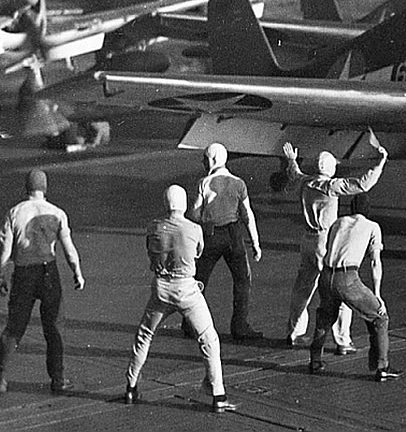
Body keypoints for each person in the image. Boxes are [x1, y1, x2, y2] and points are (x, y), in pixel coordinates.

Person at [124, 186, 237, 413]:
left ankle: (131, 385)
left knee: (144, 336)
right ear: (184, 204)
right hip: (186, 289)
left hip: (161, 289)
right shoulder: (194, 229)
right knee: (208, 338)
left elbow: (151, 249)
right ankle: (218, 393)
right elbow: (197, 252)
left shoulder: (153, 227)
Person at [282, 139, 388, 353]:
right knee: (338, 289)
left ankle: (294, 332)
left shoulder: (306, 182)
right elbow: (361, 184)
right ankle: (343, 340)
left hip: (307, 240)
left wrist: (292, 160)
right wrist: (380, 162)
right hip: (326, 241)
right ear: (330, 170)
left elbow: (295, 174)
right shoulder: (330, 186)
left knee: (302, 289)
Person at [0, 170, 85, 396]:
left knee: (14, 327)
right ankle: (58, 378)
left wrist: (1, 276)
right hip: (48, 271)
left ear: (26, 188)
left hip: (24, 272)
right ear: (45, 188)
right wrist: (77, 272)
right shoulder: (57, 213)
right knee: (54, 328)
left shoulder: (15, 212)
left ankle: (1, 377)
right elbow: (69, 249)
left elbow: (5, 249)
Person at [308, 188, 400, 382]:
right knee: (379, 317)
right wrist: (377, 295)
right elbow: (375, 262)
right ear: (369, 210)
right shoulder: (372, 226)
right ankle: (383, 366)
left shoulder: (338, 222)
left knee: (325, 317)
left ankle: (315, 360)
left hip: (326, 274)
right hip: (347, 277)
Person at [186, 144, 263, 342]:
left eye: (205, 158)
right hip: (233, 234)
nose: (203, 162)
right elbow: (248, 215)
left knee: (199, 280)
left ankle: (191, 324)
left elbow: (194, 214)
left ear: (212, 160)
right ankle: (240, 326)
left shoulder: (203, 183)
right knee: (242, 280)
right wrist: (255, 242)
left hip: (211, 235)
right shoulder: (238, 183)